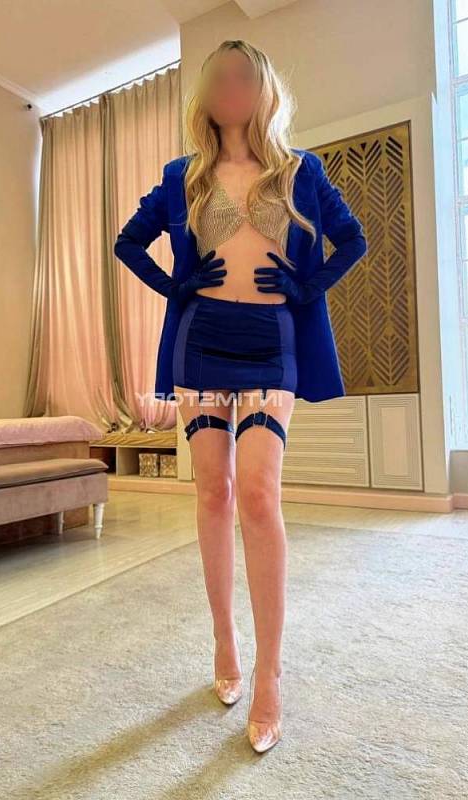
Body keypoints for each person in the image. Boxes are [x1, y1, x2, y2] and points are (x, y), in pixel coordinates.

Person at [114, 40, 367, 753]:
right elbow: (128, 244)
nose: (230, 86)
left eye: (243, 76)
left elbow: (352, 239)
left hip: (270, 341)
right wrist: (175, 286)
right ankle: (224, 642)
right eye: (219, 76)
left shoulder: (300, 170)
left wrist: (306, 287)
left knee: (257, 494)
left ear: (264, 90)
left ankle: (269, 673)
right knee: (213, 492)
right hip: (200, 342)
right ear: (205, 93)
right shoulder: (182, 177)